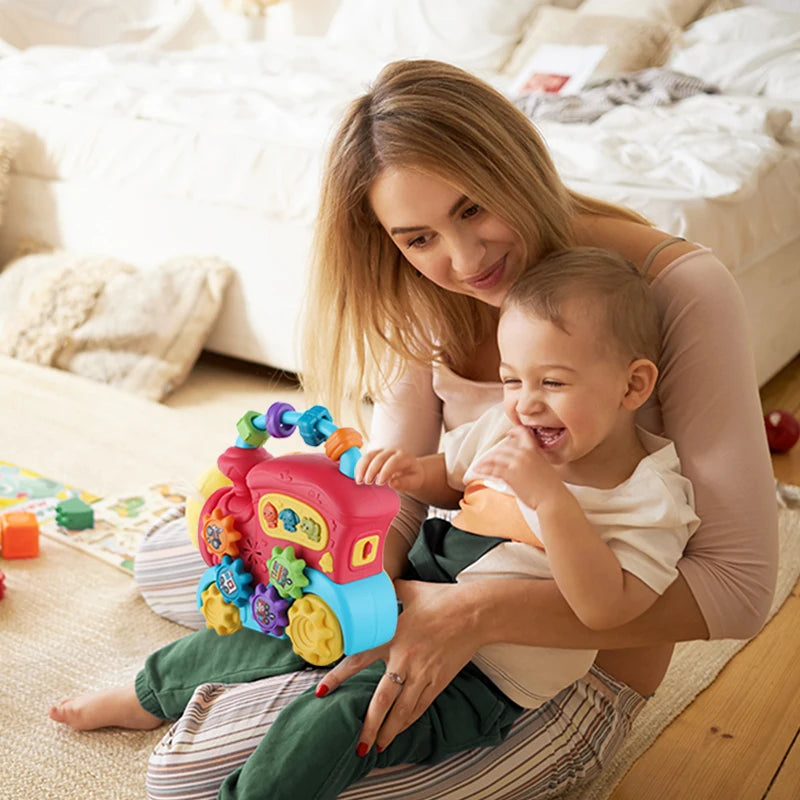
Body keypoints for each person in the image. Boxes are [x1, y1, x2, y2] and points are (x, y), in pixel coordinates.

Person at [126, 59, 776, 799]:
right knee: (178, 562)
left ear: (516, 164)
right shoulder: (426, 285)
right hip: (439, 575)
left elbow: (739, 588)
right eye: (418, 237)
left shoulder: (673, 289)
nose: (464, 260)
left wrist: (469, 613)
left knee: (184, 777)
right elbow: (400, 489)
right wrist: (370, 597)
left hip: (555, 674)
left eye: (473, 209)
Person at [49, 249, 700, 800]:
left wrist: (552, 502)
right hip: (410, 586)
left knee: (338, 722)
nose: (526, 404)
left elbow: (609, 609)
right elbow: (454, 475)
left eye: (553, 383)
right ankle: (150, 693)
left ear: (632, 386)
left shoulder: (651, 498)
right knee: (281, 621)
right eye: (511, 380)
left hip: (485, 678)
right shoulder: (508, 426)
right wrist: (415, 473)